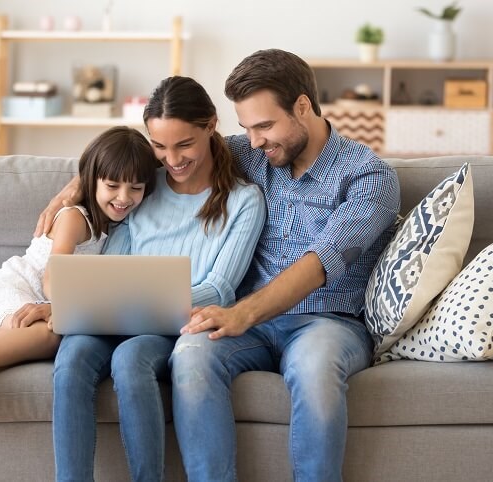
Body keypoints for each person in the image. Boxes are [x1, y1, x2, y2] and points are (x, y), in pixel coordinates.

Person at [169, 49, 401, 481]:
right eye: (247, 128)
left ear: (302, 106)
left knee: (315, 368)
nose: (255, 139)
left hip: (328, 322)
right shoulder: (254, 156)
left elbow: (319, 264)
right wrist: (76, 186)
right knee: (190, 354)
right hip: (252, 327)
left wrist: (242, 313)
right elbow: (173, 153)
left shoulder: (369, 177)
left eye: (264, 125)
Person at [35, 76, 266, 482]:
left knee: (129, 359)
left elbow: (219, 288)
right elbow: (113, 259)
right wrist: (71, 301)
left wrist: (132, 302)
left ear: (211, 127)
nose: (171, 159)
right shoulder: (142, 187)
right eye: (159, 146)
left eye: (184, 145)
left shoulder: (243, 200)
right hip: (114, 311)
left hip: (174, 323)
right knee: (70, 357)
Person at [0, 126, 158, 425]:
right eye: (112, 186)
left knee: (41, 343)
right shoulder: (75, 217)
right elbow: (54, 275)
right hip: (10, 289)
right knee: (51, 335)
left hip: (37, 302)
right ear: (91, 181)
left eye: (136, 188)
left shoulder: (113, 224)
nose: (124, 197)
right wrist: (63, 308)